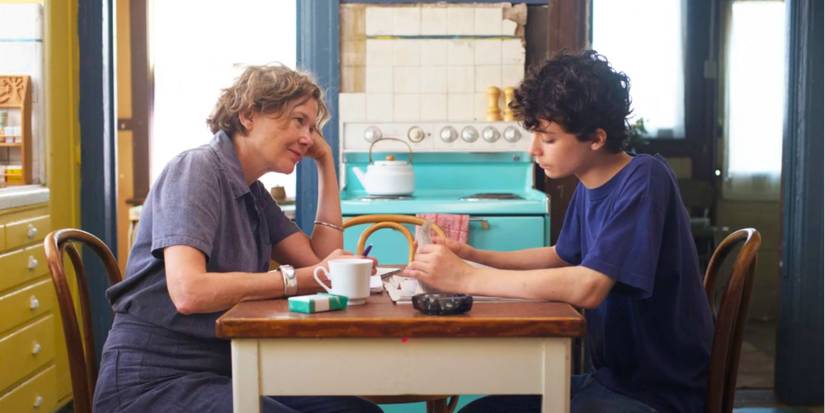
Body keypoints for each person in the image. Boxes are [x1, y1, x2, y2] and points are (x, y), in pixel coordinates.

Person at [403, 51, 713, 413]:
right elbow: (561, 256)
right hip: (610, 379)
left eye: (548, 139)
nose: (533, 150)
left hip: (656, 394)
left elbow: (589, 286)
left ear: (595, 138)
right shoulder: (591, 183)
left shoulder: (644, 179)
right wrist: (472, 255)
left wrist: (466, 278)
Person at [94, 64, 381, 413]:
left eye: (312, 127)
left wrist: (326, 163)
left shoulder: (252, 192)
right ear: (248, 115)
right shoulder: (196, 169)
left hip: (223, 370)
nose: (309, 137)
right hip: (153, 381)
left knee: (357, 412)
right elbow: (189, 292)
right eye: (297, 121)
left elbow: (320, 262)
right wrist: (302, 279)